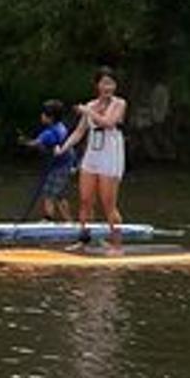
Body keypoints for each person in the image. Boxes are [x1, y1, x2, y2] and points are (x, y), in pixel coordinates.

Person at [64, 67, 127, 249]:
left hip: (110, 154)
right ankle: (83, 239)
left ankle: (116, 243)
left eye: (111, 83)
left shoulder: (119, 103)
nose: (107, 87)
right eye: (104, 83)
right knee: (85, 199)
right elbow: (79, 131)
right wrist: (63, 148)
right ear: (97, 85)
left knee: (108, 203)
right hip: (93, 154)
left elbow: (108, 123)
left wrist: (87, 112)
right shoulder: (90, 105)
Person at [28, 97, 75, 223]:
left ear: (50, 117)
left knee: (48, 193)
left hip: (58, 167)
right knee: (60, 194)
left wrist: (25, 142)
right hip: (66, 165)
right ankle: (69, 221)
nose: (41, 116)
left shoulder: (49, 133)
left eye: (43, 114)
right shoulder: (61, 127)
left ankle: (48, 219)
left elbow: (36, 143)